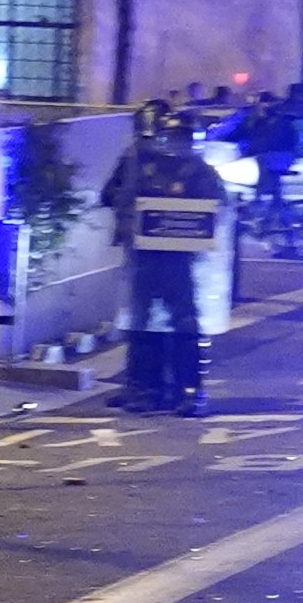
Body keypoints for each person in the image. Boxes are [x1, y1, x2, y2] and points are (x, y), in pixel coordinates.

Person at [104, 100, 230, 415]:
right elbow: (114, 196)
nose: (176, 145)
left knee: (183, 324)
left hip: (179, 261)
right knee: (143, 325)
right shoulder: (144, 166)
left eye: (181, 139)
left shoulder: (198, 171)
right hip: (148, 257)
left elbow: (220, 208)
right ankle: (149, 389)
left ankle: (187, 391)